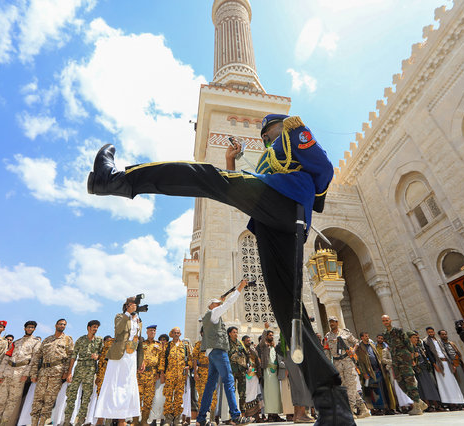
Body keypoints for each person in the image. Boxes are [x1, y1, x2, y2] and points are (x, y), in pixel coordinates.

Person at [87, 113, 353, 425]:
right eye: (265, 137)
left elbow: (321, 168)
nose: (267, 139)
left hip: (284, 202)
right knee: (290, 315)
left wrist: (299, 189)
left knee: (206, 178)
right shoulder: (270, 158)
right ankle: (334, 407)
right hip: (276, 220)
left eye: (269, 133)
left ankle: (117, 180)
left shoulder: (293, 133)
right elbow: (245, 187)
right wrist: (233, 163)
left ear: (280, 128)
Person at [195, 279, 250, 426]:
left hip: (212, 353)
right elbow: (228, 304)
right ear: (211, 306)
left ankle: (200, 419)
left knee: (210, 385)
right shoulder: (213, 313)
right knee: (229, 380)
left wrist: (220, 300)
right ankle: (236, 416)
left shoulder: (210, 316)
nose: (219, 305)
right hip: (219, 352)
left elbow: (222, 303)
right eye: (216, 304)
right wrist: (240, 288)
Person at [94, 297, 143, 426]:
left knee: (127, 386)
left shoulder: (138, 321)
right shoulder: (120, 317)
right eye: (132, 304)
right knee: (111, 384)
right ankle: (101, 418)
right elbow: (119, 329)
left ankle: (122, 419)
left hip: (131, 357)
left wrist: (140, 361)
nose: (135, 306)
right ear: (127, 306)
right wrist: (127, 314)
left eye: (135, 305)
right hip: (118, 355)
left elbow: (139, 341)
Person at [0, 320, 41, 426]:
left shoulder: (36, 342)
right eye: (28, 327)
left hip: (20, 373)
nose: (30, 329)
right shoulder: (16, 342)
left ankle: (4, 423)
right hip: (8, 371)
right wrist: (0, 374)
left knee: (12, 401)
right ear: (24, 328)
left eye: (32, 327)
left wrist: (26, 374)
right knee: (1, 400)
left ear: (34, 329)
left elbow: (34, 360)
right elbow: (6, 358)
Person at [29, 319, 74, 426]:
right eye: (60, 324)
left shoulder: (68, 340)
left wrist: (67, 372)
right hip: (43, 372)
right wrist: (34, 373)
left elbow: (70, 357)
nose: (62, 326)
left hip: (57, 372)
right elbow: (37, 357)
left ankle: (42, 423)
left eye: (64, 325)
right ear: (56, 325)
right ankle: (33, 423)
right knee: (37, 399)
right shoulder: (47, 339)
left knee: (49, 400)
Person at [324, 317, 370, 418]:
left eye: (333, 322)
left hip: (347, 361)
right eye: (330, 322)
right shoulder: (328, 336)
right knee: (345, 386)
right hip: (336, 363)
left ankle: (351, 410)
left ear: (337, 322)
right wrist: (328, 364)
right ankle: (363, 409)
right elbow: (326, 350)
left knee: (351, 385)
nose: (331, 324)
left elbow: (356, 342)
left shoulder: (345, 333)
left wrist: (353, 350)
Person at [381, 314, 427, 415]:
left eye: (387, 320)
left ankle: (417, 406)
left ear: (390, 320)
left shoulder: (398, 330)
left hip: (404, 357)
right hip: (395, 359)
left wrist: (412, 356)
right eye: (384, 321)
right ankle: (418, 401)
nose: (386, 322)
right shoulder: (385, 334)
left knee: (409, 379)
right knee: (400, 381)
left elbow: (407, 342)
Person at [64, 320, 103, 425]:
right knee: (72, 395)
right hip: (79, 368)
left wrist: (98, 356)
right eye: (94, 327)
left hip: (90, 370)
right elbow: (73, 356)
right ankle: (67, 420)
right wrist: (69, 372)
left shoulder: (99, 340)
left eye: (97, 327)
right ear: (88, 328)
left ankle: (80, 421)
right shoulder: (80, 340)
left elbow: (103, 355)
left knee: (86, 397)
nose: (95, 329)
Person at [423, 327, 464, 409]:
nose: (431, 333)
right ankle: (450, 404)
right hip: (439, 364)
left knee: (452, 383)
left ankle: (457, 402)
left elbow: (445, 352)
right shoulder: (426, 341)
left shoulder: (438, 340)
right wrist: (435, 366)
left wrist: (452, 364)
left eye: (432, 332)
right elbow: (429, 355)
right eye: (429, 332)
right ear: (427, 333)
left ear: (434, 332)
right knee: (444, 384)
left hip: (447, 363)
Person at [438, 329, 464, 409]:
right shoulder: (441, 346)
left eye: (445, 334)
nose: (444, 336)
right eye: (442, 334)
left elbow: (458, 353)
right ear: (440, 336)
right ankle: (463, 404)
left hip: (458, 364)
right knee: (459, 385)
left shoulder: (451, 343)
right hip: (451, 366)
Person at [158, 327, 192, 426]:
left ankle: (177, 419)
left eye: (178, 333)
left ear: (180, 334)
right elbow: (162, 360)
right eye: (174, 333)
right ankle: (168, 420)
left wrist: (188, 365)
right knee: (168, 397)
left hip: (181, 376)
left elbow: (190, 359)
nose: (176, 334)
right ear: (171, 334)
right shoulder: (168, 346)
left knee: (178, 398)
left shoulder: (184, 346)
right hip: (169, 375)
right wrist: (162, 374)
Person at [356, 331, 392, 415]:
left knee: (381, 390)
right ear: (362, 337)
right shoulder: (360, 348)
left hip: (378, 370)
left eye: (367, 336)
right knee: (373, 391)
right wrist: (364, 373)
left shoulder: (371, 345)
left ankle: (384, 408)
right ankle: (376, 409)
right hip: (369, 373)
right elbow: (361, 362)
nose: (367, 337)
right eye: (365, 336)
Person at [410, 331, 442, 412]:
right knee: (423, 388)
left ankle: (436, 404)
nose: (416, 339)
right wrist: (413, 356)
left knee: (431, 386)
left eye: (416, 337)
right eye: (413, 337)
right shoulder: (410, 349)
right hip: (418, 370)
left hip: (425, 368)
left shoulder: (419, 347)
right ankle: (428, 405)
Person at [138, 324, 162, 425]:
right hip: (140, 373)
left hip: (152, 374)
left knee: (148, 398)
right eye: (150, 330)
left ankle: (144, 420)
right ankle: (135, 420)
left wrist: (159, 372)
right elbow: (137, 356)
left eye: (154, 331)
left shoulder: (159, 344)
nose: (152, 332)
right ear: (146, 332)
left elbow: (161, 358)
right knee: (138, 397)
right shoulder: (141, 343)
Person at [258, 327, 283, 423]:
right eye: (269, 335)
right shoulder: (264, 346)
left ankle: (276, 414)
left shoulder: (274, 347)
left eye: (272, 335)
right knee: (269, 394)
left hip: (275, 372)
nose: (271, 337)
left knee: (276, 394)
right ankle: (270, 415)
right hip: (268, 371)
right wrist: (265, 329)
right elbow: (262, 341)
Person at [240, 335, 261, 420]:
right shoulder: (241, 351)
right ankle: (246, 415)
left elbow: (257, 362)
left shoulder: (253, 352)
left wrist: (259, 375)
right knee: (246, 395)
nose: (249, 342)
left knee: (255, 395)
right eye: (247, 341)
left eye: (249, 340)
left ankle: (256, 415)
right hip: (245, 376)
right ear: (243, 342)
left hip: (254, 376)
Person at [227, 326, 248, 410]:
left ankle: (243, 412)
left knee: (242, 393)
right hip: (231, 370)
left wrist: (247, 365)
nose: (236, 334)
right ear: (229, 334)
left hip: (241, 370)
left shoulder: (240, 343)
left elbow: (246, 354)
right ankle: (232, 413)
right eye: (234, 332)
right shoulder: (226, 344)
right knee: (232, 392)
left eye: (236, 332)